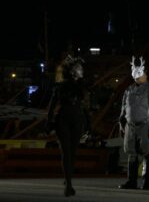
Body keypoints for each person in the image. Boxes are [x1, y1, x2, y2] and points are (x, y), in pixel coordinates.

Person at [46, 55, 89, 197]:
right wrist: (49, 122)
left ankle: (68, 179)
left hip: (77, 121)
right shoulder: (61, 87)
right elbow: (52, 106)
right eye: (78, 68)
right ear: (72, 71)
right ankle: (69, 184)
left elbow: (85, 108)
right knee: (66, 151)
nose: (81, 70)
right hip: (63, 120)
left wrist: (88, 124)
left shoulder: (82, 87)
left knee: (72, 152)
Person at [118, 56, 149, 190]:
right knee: (131, 153)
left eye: (143, 73)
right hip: (130, 126)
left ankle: (146, 183)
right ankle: (131, 181)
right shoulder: (129, 89)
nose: (142, 75)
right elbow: (123, 108)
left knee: (147, 153)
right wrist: (122, 124)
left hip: (145, 125)